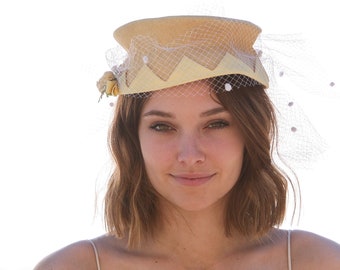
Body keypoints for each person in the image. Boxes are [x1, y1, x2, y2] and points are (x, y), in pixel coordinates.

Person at [34, 15, 340, 269]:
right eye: (162, 126)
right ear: (131, 139)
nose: (190, 155)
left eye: (216, 123)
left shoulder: (316, 262)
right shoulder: (73, 266)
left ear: (251, 132)